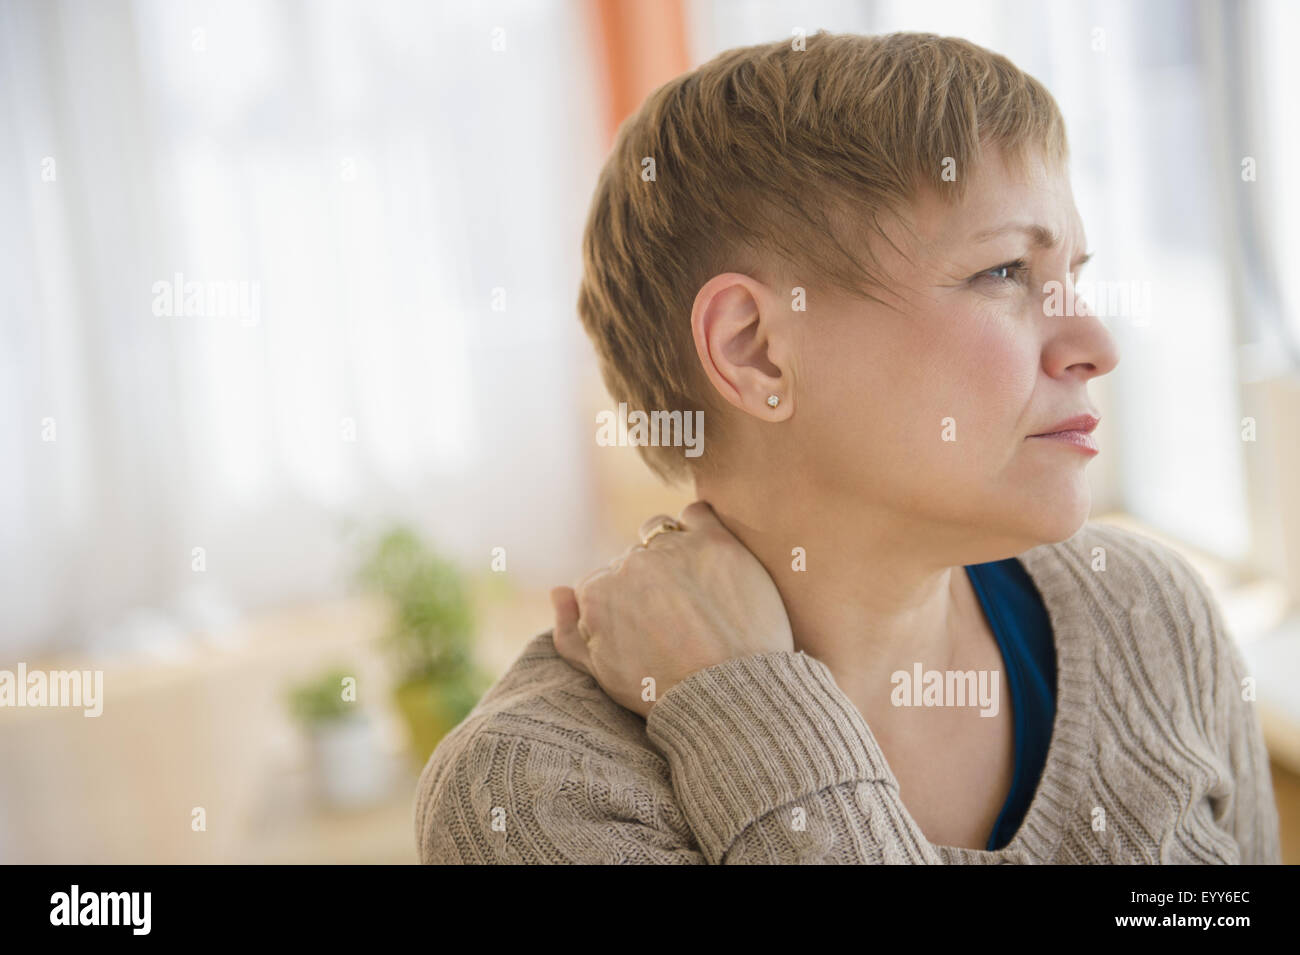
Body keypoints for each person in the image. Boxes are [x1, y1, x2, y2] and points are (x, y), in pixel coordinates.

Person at [415, 30, 1282, 864]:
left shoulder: (1147, 613)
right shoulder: (535, 795)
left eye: (1074, 279)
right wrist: (751, 716)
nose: (1095, 343)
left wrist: (746, 706)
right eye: (1005, 272)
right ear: (754, 348)